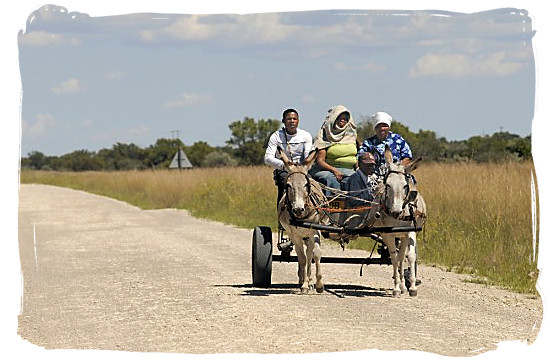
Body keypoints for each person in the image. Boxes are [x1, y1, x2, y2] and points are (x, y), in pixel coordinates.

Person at [358, 111, 417, 199]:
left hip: (397, 172)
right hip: (376, 176)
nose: (382, 128)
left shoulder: (398, 139)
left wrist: (398, 169)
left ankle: (414, 209)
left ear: (388, 127)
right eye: (378, 126)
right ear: (375, 128)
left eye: (384, 126)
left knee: (410, 190)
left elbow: (407, 156)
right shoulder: (369, 142)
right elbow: (360, 157)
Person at [264, 108, 313, 207]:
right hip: (284, 169)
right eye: (289, 119)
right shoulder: (276, 136)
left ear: (298, 121)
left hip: (301, 169)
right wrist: (284, 166)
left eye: (294, 119)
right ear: (283, 121)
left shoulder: (305, 136)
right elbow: (268, 158)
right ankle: (282, 212)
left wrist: (303, 167)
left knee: (310, 182)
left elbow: (308, 155)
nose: (292, 121)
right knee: (284, 182)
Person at [309, 105, 358, 196]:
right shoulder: (325, 135)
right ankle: (333, 205)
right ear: (334, 118)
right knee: (331, 180)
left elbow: (355, 156)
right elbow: (320, 161)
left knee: (355, 181)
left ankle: (353, 207)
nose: (343, 120)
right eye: (340, 118)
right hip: (328, 170)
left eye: (345, 118)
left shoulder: (352, 135)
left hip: (349, 171)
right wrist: (334, 170)